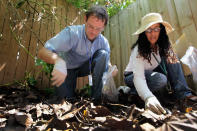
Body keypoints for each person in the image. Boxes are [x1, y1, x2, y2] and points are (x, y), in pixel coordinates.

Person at [38, 5, 117, 103]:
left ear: (104, 26)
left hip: (85, 67)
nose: (93, 32)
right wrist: (58, 61)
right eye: (91, 26)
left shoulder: (103, 42)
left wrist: (111, 68)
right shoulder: (72, 33)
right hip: (67, 68)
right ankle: (66, 94)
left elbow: (106, 62)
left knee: (103, 54)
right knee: (65, 101)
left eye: (98, 29)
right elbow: (42, 52)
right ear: (85, 19)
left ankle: (96, 100)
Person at [124, 13, 197, 115]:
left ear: (161, 30)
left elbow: (171, 64)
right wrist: (148, 97)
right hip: (132, 76)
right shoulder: (138, 50)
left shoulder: (164, 45)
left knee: (172, 57)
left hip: (152, 73)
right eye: (149, 30)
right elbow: (139, 77)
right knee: (160, 79)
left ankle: (183, 94)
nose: (152, 33)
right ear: (144, 32)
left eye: (156, 29)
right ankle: (132, 92)